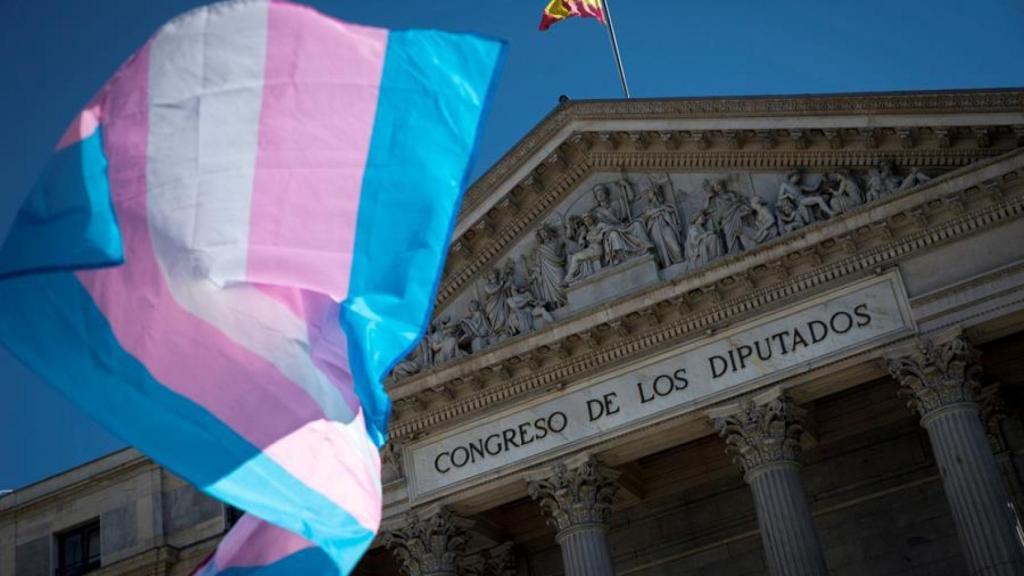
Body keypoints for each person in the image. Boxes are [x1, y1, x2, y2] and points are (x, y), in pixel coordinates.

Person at [639, 182, 684, 266]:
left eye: (657, 192)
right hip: (655, 229)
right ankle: (666, 265)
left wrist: (661, 210)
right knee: (660, 249)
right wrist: (660, 210)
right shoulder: (648, 208)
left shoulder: (667, 206)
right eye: (652, 192)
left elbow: (671, 210)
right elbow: (647, 215)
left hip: (665, 226)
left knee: (674, 244)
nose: (655, 194)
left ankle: (679, 259)